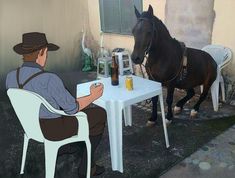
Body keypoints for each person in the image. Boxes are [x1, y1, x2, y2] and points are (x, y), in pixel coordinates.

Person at [6, 32, 106, 177]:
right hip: (53, 130)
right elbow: (72, 108)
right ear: (41, 52)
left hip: (30, 127)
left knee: (57, 103)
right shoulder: (49, 79)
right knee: (99, 114)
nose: (46, 57)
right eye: (46, 52)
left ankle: (66, 146)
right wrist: (93, 96)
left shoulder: (10, 77)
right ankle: (87, 167)